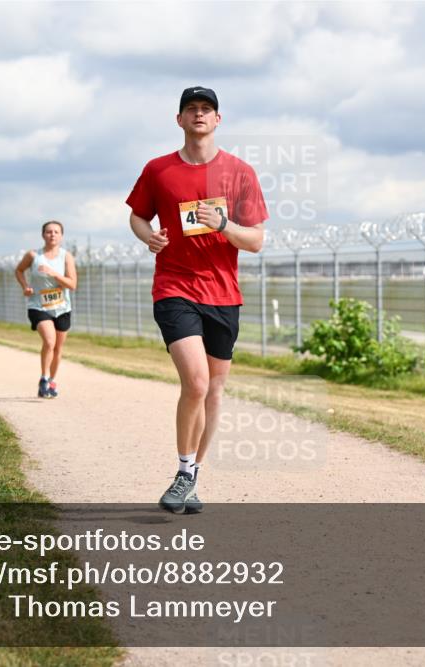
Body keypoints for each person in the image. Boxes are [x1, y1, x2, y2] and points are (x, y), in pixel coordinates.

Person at [126, 86, 267, 514]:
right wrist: (147, 235)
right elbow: (137, 214)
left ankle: (194, 478)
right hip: (174, 287)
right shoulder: (158, 169)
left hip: (223, 293)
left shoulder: (240, 173)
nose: (199, 115)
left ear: (218, 120)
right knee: (197, 382)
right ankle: (184, 472)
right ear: (180, 119)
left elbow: (257, 241)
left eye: (207, 109)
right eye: (192, 109)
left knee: (214, 392)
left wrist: (223, 224)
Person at [14, 221, 78, 398]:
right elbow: (19, 271)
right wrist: (25, 286)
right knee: (49, 342)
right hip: (38, 305)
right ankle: (44, 377)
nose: (52, 235)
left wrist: (54, 273)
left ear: (61, 236)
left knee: (57, 347)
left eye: (56, 232)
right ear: (43, 235)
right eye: (49, 232)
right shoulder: (33, 255)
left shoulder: (66, 257)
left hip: (62, 307)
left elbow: (72, 285)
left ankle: (52, 380)